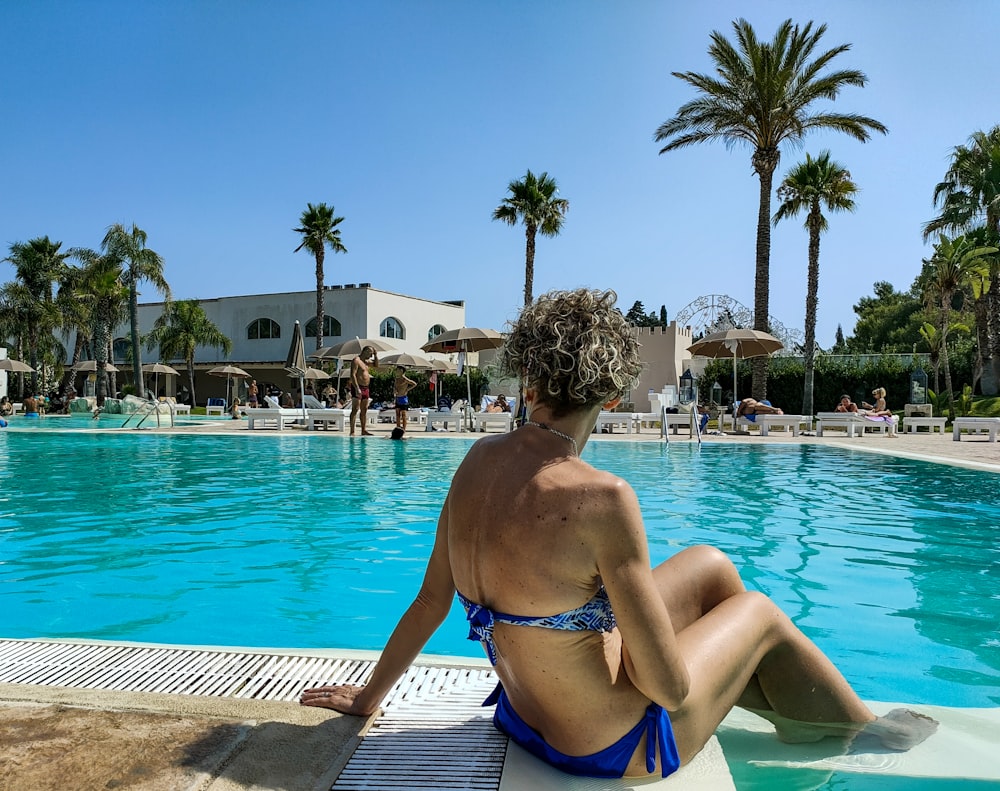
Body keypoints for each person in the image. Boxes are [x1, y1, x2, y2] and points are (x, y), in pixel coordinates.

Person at [300, 288, 936, 779]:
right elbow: (666, 687)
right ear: (608, 385)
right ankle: (864, 731)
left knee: (711, 566)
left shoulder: (475, 464)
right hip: (611, 750)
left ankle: (788, 709)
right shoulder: (601, 497)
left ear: (531, 376)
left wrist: (368, 697)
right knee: (759, 613)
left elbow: (430, 602)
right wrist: (643, 642)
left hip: (522, 721)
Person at [350, 346, 378, 436]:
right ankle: (352, 431)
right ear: (365, 351)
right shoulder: (356, 360)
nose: (371, 355)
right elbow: (352, 375)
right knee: (355, 409)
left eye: (372, 353)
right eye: (370, 353)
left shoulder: (366, 362)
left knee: (364, 410)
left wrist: (376, 355)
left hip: (366, 388)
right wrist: (357, 388)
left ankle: (363, 430)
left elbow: (376, 365)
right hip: (357, 387)